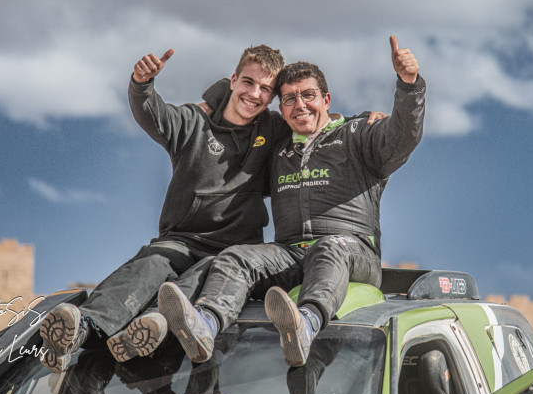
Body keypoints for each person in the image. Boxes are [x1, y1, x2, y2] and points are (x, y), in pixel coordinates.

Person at [157, 35, 425, 367]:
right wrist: (209, 105)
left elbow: (402, 136)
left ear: (326, 99)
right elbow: (236, 118)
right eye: (289, 99)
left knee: (330, 247)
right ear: (280, 108)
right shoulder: (276, 150)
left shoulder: (358, 136)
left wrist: (409, 86)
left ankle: (305, 325)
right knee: (237, 256)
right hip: (291, 253)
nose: (300, 106)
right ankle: (206, 325)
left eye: (308, 95)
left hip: (352, 251)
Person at [38, 44, 287, 372]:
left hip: (232, 253)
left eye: (265, 89)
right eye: (248, 82)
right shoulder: (193, 122)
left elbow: (312, 124)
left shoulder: (273, 130)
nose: (254, 94)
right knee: (151, 264)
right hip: (181, 239)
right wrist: (142, 84)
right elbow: (153, 114)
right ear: (233, 80)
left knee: (205, 276)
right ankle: (81, 327)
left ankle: (154, 324)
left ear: (272, 97)